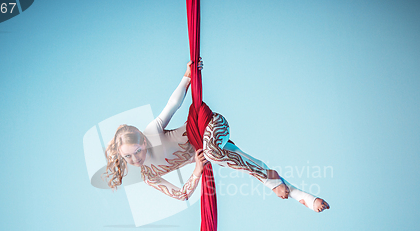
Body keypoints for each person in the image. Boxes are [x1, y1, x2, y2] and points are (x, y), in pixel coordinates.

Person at [104, 60, 330, 212]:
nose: (136, 159)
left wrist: (187, 76)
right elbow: (181, 194)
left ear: (143, 141)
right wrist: (196, 170)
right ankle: (301, 195)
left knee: (214, 153)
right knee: (243, 160)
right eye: (128, 158)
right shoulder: (148, 176)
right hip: (208, 154)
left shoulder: (150, 133)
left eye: (137, 152)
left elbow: (172, 105)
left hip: (208, 125)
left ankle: (274, 185)